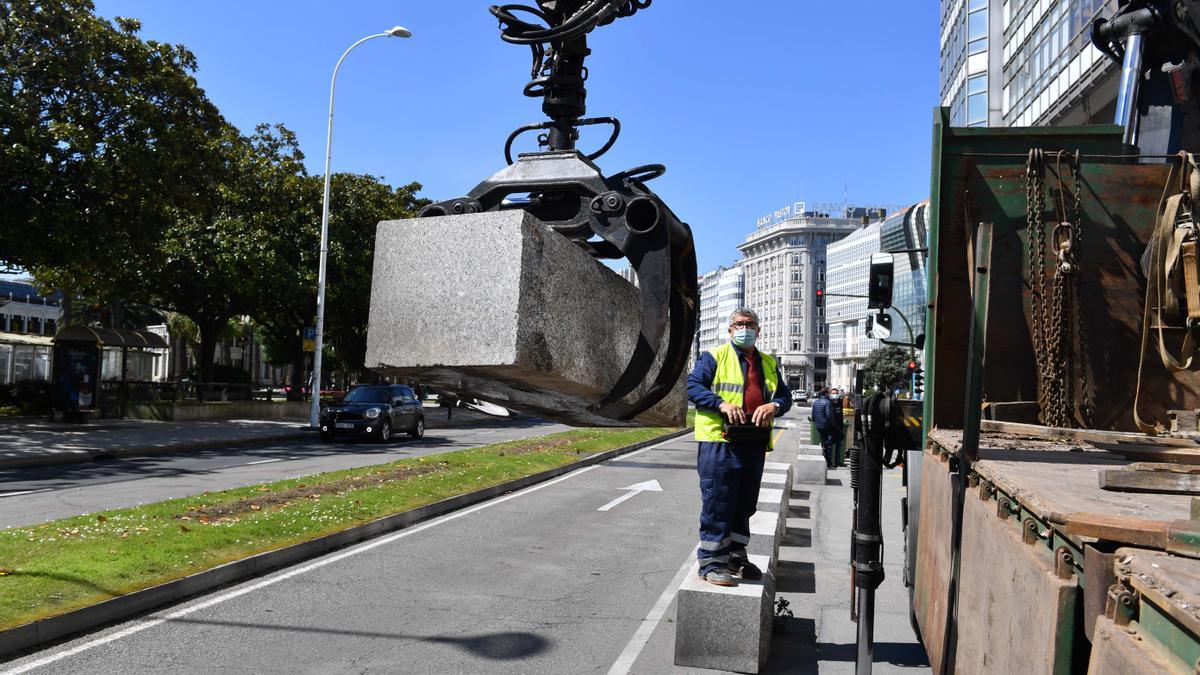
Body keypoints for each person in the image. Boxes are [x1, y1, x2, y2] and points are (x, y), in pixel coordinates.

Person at [687, 308, 792, 586]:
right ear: (730, 330)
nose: (744, 328)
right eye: (738, 324)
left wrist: (775, 405)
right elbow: (693, 386)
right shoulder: (714, 357)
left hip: (753, 442)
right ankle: (711, 563)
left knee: (744, 503)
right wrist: (720, 403)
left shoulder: (769, 363)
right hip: (719, 441)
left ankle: (735, 557)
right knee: (718, 501)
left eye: (749, 324)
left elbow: (784, 396)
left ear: (758, 330)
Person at [812, 387, 841, 469]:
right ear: (826, 394)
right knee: (838, 438)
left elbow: (813, 417)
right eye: (829, 393)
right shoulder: (828, 402)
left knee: (827, 444)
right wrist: (832, 425)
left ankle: (828, 462)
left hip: (819, 426)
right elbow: (829, 416)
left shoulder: (815, 402)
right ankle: (827, 458)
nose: (830, 395)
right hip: (828, 426)